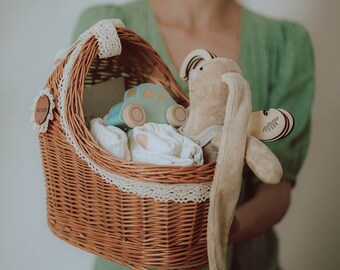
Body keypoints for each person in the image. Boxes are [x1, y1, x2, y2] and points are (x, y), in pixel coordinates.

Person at [72, 0, 315, 269]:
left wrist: (221, 229)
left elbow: (276, 187)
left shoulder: (286, 43)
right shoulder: (107, 30)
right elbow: (81, 153)